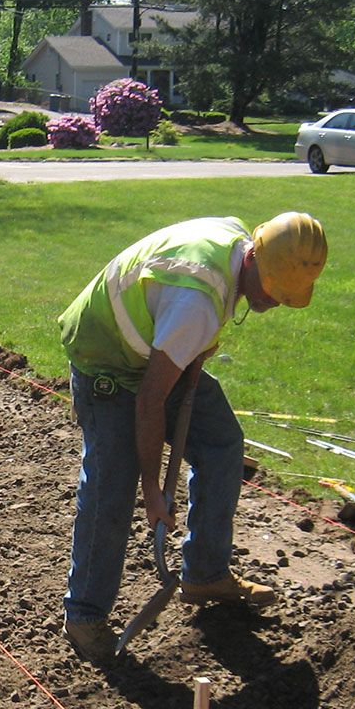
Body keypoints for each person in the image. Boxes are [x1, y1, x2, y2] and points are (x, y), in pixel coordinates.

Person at [58, 212, 328, 665]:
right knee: (112, 487)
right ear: (256, 260)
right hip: (106, 356)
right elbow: (149, 402)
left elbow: (175, 351)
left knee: (222, 443)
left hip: (159, 347)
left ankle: (204, 573)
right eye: (275, 291)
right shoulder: (197, 306)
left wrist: (195, 348)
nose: (277, 302)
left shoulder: (239, 240)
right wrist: (152, 492)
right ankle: (84, 614)